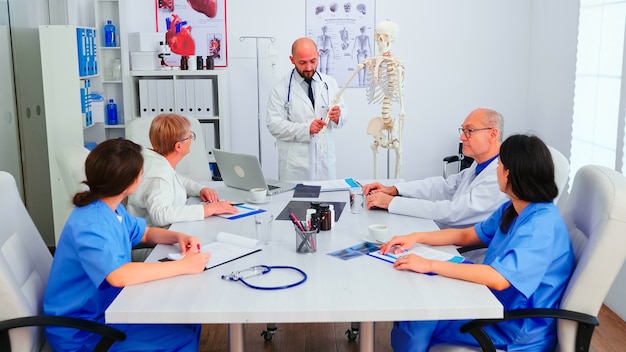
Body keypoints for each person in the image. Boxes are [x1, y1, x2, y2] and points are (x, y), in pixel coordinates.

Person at [381, 134, 575, 351]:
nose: (496, 170)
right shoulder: (514, 208)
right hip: (489, 302)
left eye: (499, 164)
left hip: (512, 326)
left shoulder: (541, 228)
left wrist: (429, 264)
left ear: (509, 173)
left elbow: (500, 279)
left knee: (418, 318)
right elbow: (466, 236)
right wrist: (416, 237)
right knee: (418, 308)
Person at [44, 139, 210, 351]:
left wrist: (178, 236)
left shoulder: (110, 206)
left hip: (109, 308)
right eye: (141, 172)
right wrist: (184, 266)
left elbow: (144, 233)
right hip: (84, 331)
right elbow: (119, 275)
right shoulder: (92, 223)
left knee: (187, 317)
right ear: (128, 182)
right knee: (183, 338)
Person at [363, 108, 507, 229]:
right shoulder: (480, 164)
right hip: (446, 234)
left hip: (464, 252)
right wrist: (395, 189)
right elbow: (445, 186)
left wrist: (391, 202)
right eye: (462, 130)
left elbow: (452, 212)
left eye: (469, 130)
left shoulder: (498, 178)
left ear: (493, 134)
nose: (462, 137)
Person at [128, 113, 237, 227]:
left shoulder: (153, 159)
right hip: (156, 239)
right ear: (178, 146)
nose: (191, 139)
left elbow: (178, 179)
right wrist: (207, 209)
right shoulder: (159, 174)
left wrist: (200, 189)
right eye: (190, 136)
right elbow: (161, 215)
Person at [266, 37, 348, 181]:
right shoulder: (280, 89)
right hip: (295, 168)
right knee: (296, 202)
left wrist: (338, 116)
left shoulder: (330, 83)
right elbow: (274, 125)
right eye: (302, 63)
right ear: (292, 60)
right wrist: (306, 129)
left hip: (324, 165)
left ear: (318, 55)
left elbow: (343, 114)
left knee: (327, 201)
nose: (309, 67)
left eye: (313, 61)